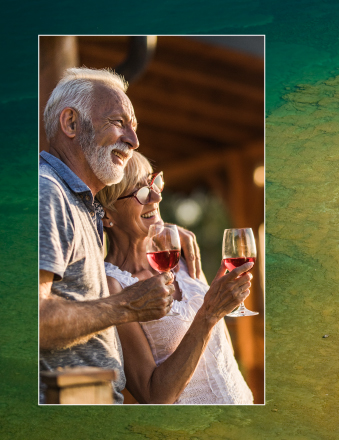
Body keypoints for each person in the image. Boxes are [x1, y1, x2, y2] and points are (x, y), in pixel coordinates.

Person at [39, 67, 174, 403]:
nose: (134, 140)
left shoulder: (81, 203)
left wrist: (163, 231)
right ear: (70, 123)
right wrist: (126, 305)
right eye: (119, 122)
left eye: (135, 127)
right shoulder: (47, 192)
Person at [96, 151, 254, 404]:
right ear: (107, 214)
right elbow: (155, 397)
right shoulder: (112, 287)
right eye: (141, 192)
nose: (157, 196)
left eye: (154, 182)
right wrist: (209, 314)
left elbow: (223, 351)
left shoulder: (181, 259)